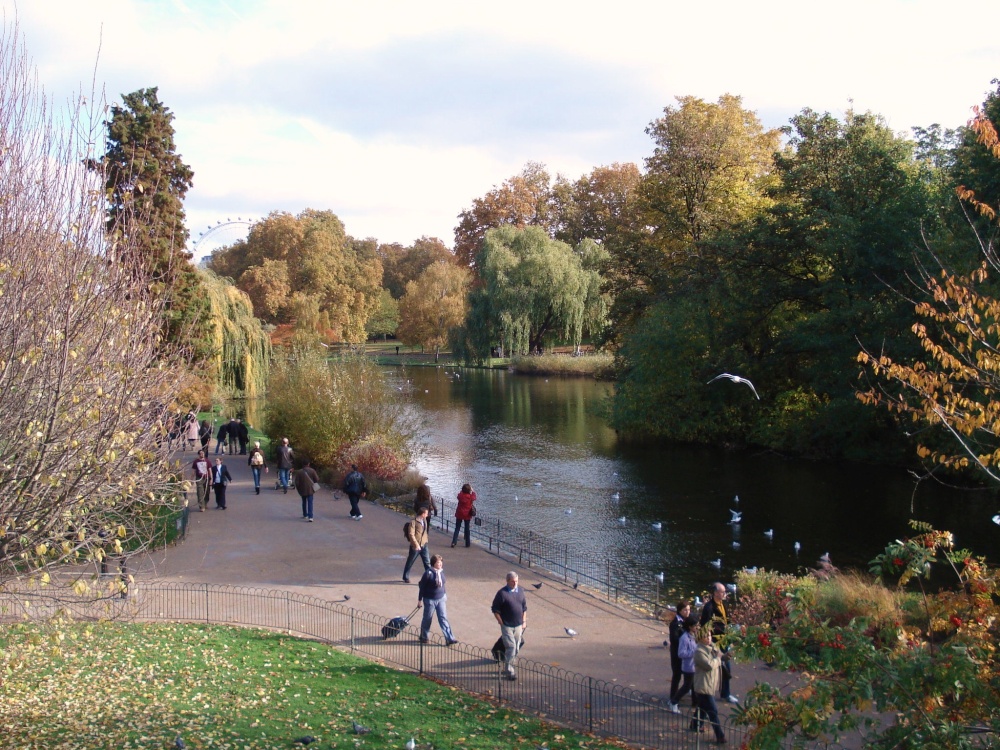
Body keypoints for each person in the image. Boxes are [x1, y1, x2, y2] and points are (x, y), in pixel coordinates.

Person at [700, 582, 739, 704]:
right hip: (715, 642)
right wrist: (709, 643)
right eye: (722, 592)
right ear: (716, 593)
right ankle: (701, 692)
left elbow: (726, 621)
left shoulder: (723, 604)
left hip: (724, 640)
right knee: (710, 669)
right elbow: (705, 626)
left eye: (724, 592)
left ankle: (725, 693)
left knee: (726, 668)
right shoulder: (709, 608)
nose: (724, 594)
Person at [692, 626, 727, 744]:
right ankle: (720, 736)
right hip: (703, 685)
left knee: (702, 707)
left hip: (711, 684)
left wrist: (725, 656)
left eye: (709, 635)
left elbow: (720, 657)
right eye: (706, 636)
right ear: (700, 638)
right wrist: (718, 658)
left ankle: (694, 725)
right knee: (713, 711)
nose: (708, 638)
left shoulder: (713, 646)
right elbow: (709, 665)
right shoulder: (699, 652)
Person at [491, 571, 527, 681]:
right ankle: (509, 670)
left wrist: (524, 621)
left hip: (518, 625)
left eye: (516, 581)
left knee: (516, 647)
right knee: (511, 647)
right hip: (507, 625)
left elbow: (524, 608)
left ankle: (509, 662)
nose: (515, 583)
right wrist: (501, 622)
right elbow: (495, 609)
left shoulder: (520, 591)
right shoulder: (502, 593)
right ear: (507, 581)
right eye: (512, 581)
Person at [416, 554, 457, 645]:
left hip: (441, 598)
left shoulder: (441, 572)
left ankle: (449, 638)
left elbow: (443, 584)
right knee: (427, 618)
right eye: (438, 562)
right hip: (430, 600)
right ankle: (424, 636)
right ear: (434, 563)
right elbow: (422, 587)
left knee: (443, 618)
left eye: (441, 562)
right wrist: (420, 600)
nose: (440, 564)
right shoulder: (428, 573)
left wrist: (444, 594)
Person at [668, 600, 692, 712]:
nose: (688, 612)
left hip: (686, 654)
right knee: (677, 675)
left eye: (689, 610)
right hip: (677, 655)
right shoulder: (674, 624)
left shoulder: (688, 620)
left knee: (689, 675)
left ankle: (688, 691)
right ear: (679, 611)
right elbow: (674, 639)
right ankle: (672, 698)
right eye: (685, 610)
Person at [674, 614, 699, 713]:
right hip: (688, 667)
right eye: (695, 626)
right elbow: (681, 653)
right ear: (690, 626)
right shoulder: (684, 638)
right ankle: (674, 701)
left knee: (694, 686)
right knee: (687, 686)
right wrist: (694, 652)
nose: (697, 627)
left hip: (694, 666)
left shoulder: (694, 635)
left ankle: (696, 703)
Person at [402, 506, 431, 583]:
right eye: (426, 513)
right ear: (422, 514)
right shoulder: (413, 522)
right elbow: (411, 534)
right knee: (411, 561)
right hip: (415, 546)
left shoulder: (424, 520)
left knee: (427, 562)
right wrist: (416, 544)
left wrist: (426, 540)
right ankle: (406, 576)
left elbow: (425, 532)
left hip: (424, 544)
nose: (427, 515)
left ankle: (430, 578)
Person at [451, 483, 476, 548]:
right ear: (469, 490)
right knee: (467, 529)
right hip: (467, 514)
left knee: (457, 528)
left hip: (459, 513)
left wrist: (462, 491)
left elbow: (459, 495)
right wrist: (472, 491)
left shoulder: (460, 496)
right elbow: (474, 497)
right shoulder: (470, 497)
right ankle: (467, 543)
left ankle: (454, 542)